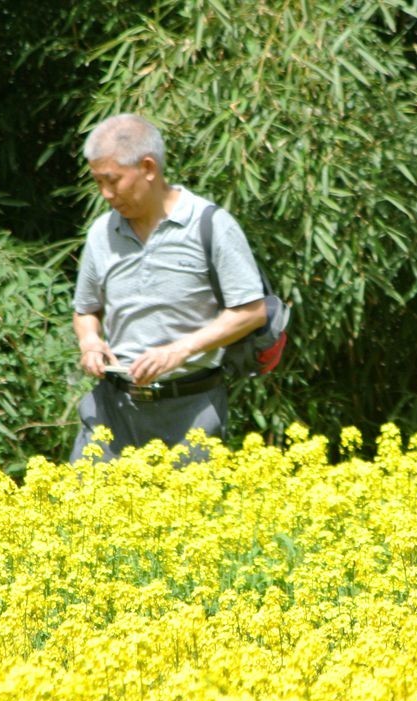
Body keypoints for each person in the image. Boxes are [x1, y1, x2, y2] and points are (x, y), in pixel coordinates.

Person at [69, 114, 266, 462]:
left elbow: (251, 312)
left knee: (185, 516)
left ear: (148, 168)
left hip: (190, 409)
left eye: (112, 181)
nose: (105, 194)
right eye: (98, 182)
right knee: (84, 513)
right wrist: (89, 343)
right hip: (112, 409)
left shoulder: (210, 225)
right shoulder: (102, 232)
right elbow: (86, 309)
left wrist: (179, 350)